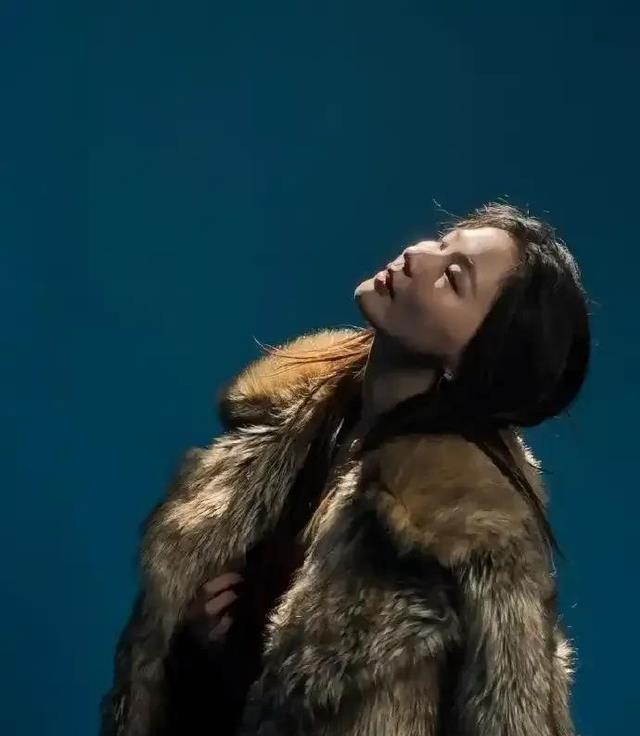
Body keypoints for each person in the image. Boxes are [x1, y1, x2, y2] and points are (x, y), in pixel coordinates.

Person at [101, 202, 590, 736]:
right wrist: (200, 642)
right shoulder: (290, 424)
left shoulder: (469, 532)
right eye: (443, 241)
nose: (418, 255)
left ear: (473, 363)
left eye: (453, 278)